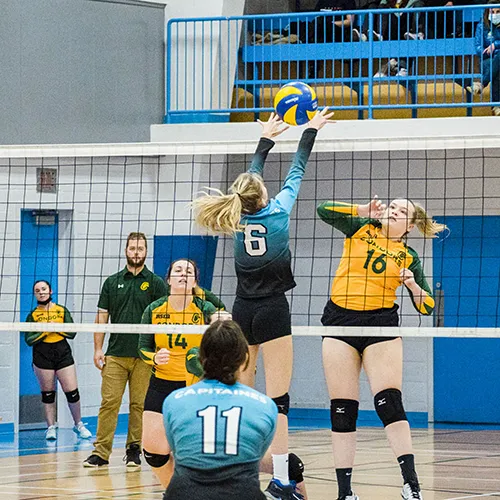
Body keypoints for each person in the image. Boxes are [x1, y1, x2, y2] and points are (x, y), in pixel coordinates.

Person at [192, 109, 333, 500]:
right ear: (264, 195)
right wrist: (309, 131)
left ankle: (240, 476)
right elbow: (297, 171)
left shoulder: (236, 216)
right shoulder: (279, 210)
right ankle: (284, 480)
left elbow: (251, 179)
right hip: (272, 310)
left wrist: (265, 140)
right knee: (279, 402)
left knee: (243, 395)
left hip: (242, 311)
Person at [316, 197, 447, 500]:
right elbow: (323, 210)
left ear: (410, 225)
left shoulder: (408, 255)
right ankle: (345, 492)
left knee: (389, 402)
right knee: (343, 410)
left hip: (381, 325)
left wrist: (413, 286)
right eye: (392, 206)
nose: (394, 211)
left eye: (403, 211)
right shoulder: (360, 227)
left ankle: (411, 484)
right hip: (339, 321)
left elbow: (427, 306)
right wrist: (362, 210)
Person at [144, 319, 278, 500]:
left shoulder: (173, 402)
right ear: (245, 360)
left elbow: (179, 450)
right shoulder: (265, 406)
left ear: (201, 357)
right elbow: (256, 455)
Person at [139, 258, 230, 484]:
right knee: (153, 452)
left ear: (195, 281)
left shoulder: (204, 308)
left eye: (189, 272)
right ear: (168, 279)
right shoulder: (154, 308)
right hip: (162, 383)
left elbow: (224, 327)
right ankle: (174, 491)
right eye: (177, 270)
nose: (183, 274)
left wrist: (222, 319)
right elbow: (142, 347)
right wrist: (155, 358)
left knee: (193, 452)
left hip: (195, 385)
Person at [83, 232, 168, 469]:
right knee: (109, 402)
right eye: (132, 248)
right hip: (116, 354)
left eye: (140, 249)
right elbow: (101, 317)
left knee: (139, 404)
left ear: (146, 252)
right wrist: (98, 349)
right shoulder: (111, 282)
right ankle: (101, 453)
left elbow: (164, 319)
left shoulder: (156, 283)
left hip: (144, 356)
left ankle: (133, 451)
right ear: (125, 251)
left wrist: (159, 351)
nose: (136, 253)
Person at [24, 280, 92, 441]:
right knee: (48, 393)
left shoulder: (61, 311)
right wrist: (45, 331)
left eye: (43, 289)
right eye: (37, 290)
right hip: (42, 354)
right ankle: (51, 427)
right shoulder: (32, 315)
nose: (41, 292)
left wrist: (57, 328)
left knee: (72, 392)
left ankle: (79, 424)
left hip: (62, 353)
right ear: (35, 294)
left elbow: (72, 332)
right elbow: (28, 339)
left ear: (50, 291)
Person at [468, 0, 500, 116]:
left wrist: (494, 45)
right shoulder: (482, 26)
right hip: (487, 60)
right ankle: (496, 105)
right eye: (493, 11)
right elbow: (478, 48)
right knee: (497, 64)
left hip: (495, 61)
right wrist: (488, 51)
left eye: (498, 12)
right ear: (488, 12)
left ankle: (482, 84)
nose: (495, 14)